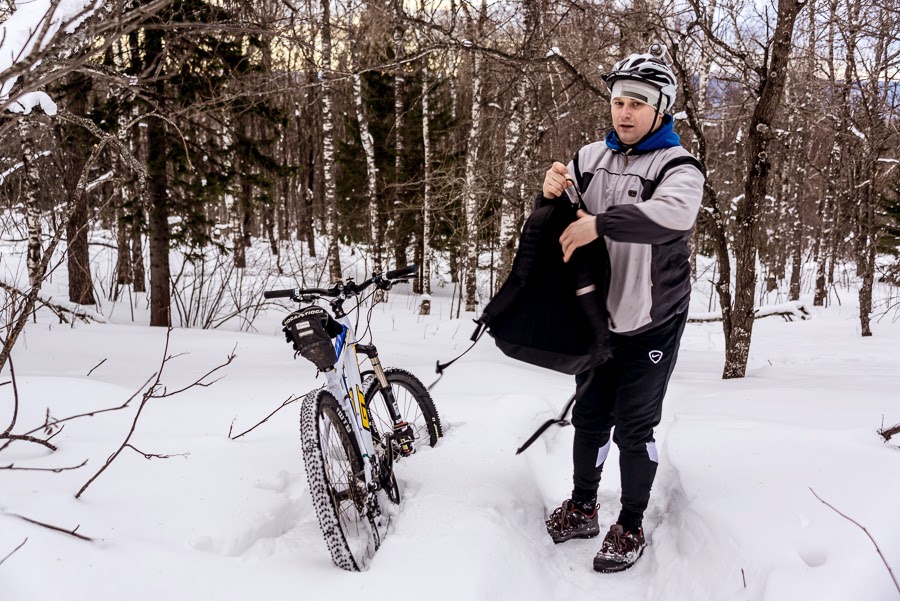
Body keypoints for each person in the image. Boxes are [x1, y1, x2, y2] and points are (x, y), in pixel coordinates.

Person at [540, 47, 705, 573]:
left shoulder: (679, 166)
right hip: (600, 316)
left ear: (661, 110)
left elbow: (672, 215)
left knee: (634, 427)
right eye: (618, 101)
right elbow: (567, 221)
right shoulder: (590, 157)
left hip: (652, 318)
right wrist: (551, 195)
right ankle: (584, 507)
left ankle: (630, 524)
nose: (625, 112)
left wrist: (602, 223)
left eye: (638, 103)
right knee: (589, 418)